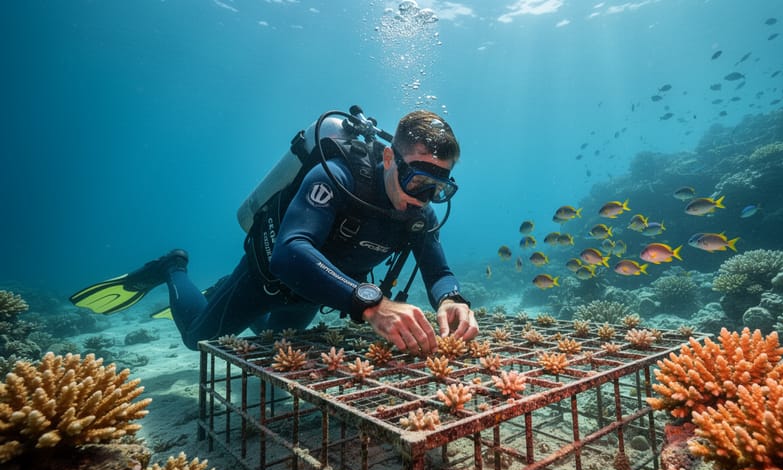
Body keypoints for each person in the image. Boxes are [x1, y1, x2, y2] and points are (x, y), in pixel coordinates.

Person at [70, 110, 479, 356]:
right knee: (197, 339)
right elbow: (289, 252)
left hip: (319, 289)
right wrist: (371, 304)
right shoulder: (339, 175)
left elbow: (437, 269)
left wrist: (452, 299)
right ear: (390, 157)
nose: (425, 198)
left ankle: (218, 291)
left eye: (439, 188)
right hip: (270, 276)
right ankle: (173, 267)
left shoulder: (418, 212)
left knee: (271, 334)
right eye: (417, 180)